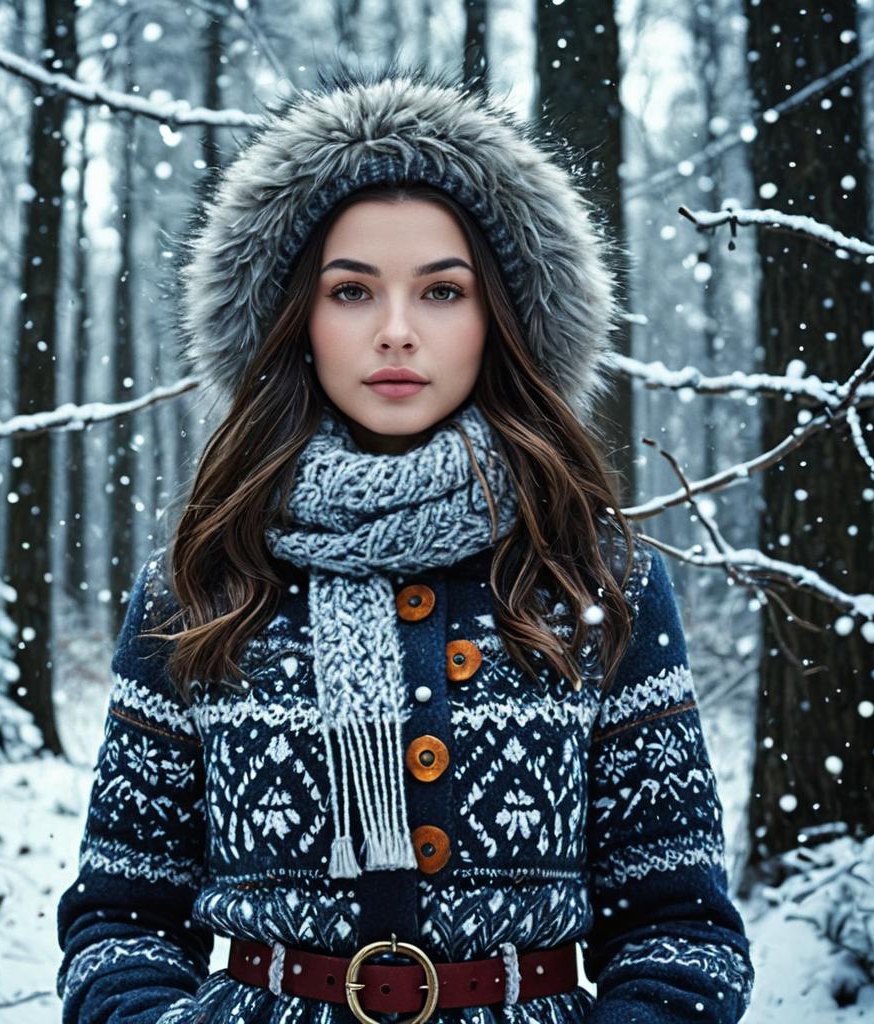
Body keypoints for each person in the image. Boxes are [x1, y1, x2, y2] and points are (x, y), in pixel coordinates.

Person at [56, 63, 754, 1024]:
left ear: (500, 320)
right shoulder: (202, 578)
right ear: (293, 317)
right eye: (351, 292)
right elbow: (120, 918)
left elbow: (680, 932)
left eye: (441, 291)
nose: (394, 333)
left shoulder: (597, 573)